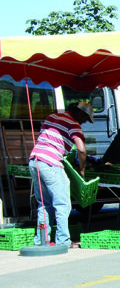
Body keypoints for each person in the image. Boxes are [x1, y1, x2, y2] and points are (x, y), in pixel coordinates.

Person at [28, 101, 92, 248]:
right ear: (80, 113)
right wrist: (81, 171)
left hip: (35, 161)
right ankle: (63, 240)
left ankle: (41, 240)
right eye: (85, 119)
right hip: (51, 164)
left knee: (44, 205)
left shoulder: (52, 117)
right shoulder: (74, 124)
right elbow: (81, 150)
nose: (84, 122)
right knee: (62, 204)